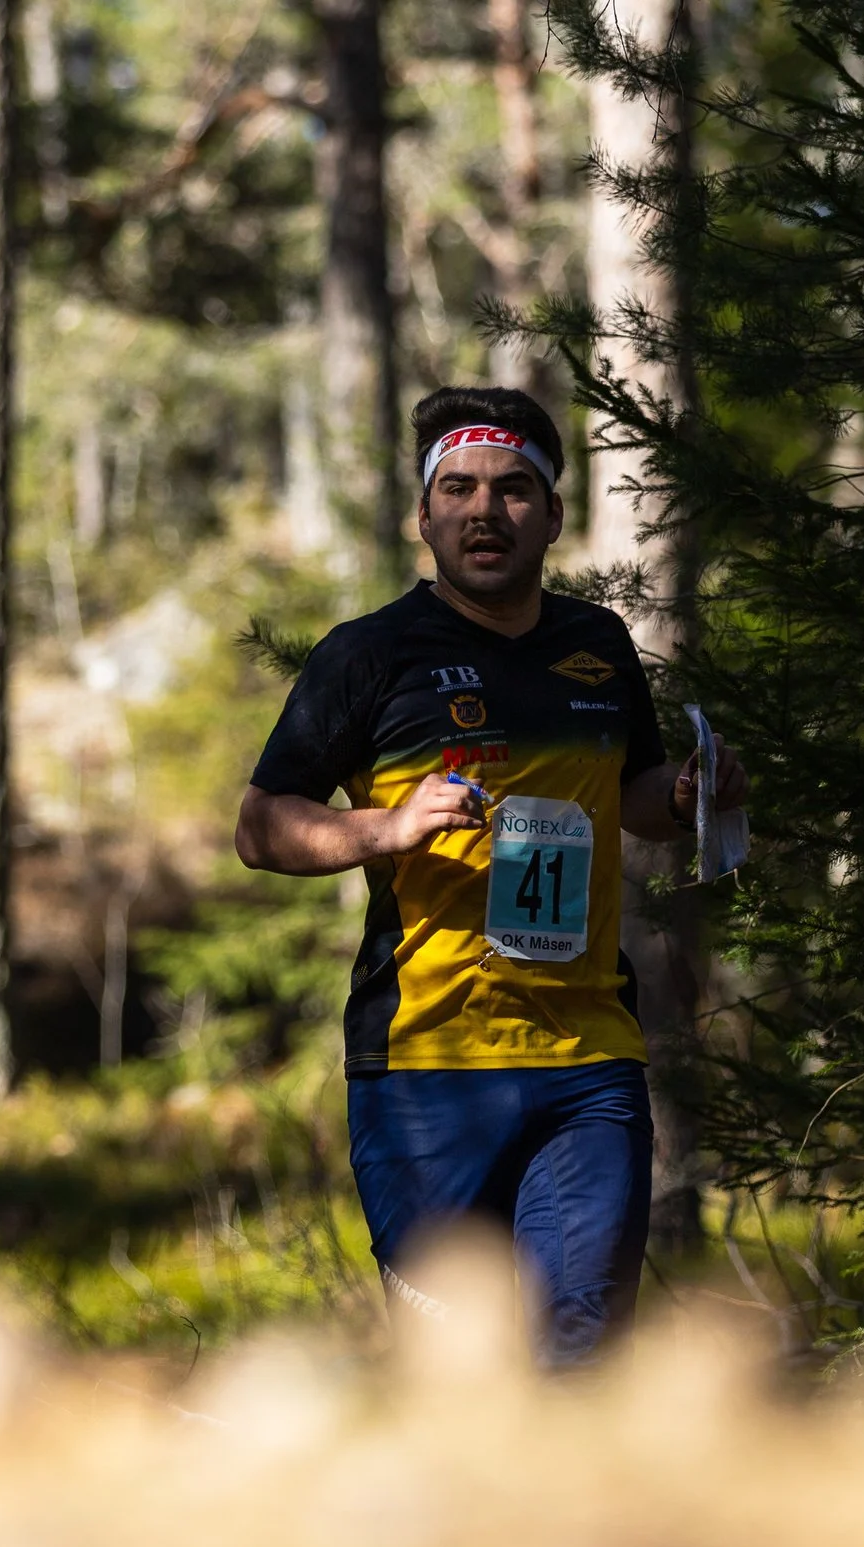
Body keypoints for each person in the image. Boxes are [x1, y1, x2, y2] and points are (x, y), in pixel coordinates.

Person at [235, 385, 747, 1367]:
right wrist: (387, 826)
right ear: (423, 514)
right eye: (458, 488)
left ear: (553, 514)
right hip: (427, 1066)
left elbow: (632, 793)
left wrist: (686, 793)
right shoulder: (370, 655)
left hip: (586, 1055)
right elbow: (261, 826)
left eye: (514, 489)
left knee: (583, 1357)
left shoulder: (594, 646)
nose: (484, 509)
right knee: (462, 1371)